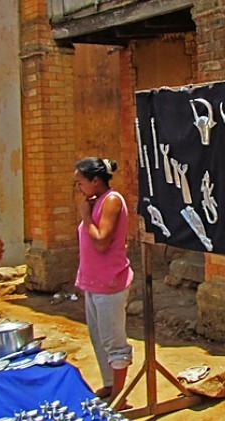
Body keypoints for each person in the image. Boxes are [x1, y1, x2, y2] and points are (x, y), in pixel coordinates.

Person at [74, 157, 133, 401]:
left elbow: (101, 241)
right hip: (93, 281)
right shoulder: (96, 202)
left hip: (110, 282)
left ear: (95, 180)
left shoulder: (111, 201)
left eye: (80, 183)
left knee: (113, 340)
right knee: (99, 337)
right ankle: (110, 385)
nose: (79, 188)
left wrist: (86, 217)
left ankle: (119, 396)